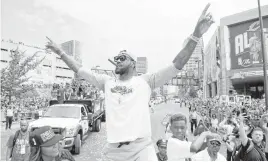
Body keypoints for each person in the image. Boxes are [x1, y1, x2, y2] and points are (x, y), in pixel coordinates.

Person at [45, 3, 214, 161]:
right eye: (117, 57)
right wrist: (60, 52)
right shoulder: (106, 82)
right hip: (114, 151)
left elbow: (177, 64)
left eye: (122, 57)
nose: (118, 60)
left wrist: (196, 34)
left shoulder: (146, 81)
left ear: (133, 63)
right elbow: (79, 69)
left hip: (142, 150)